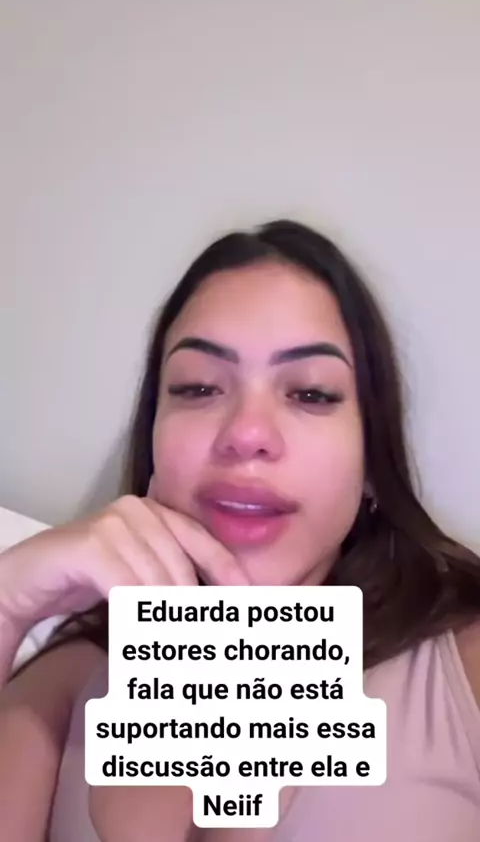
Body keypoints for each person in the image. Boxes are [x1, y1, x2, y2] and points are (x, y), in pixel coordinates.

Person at [1, 219, 479, 841]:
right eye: (198, 387)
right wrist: (7, 601)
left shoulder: (463, 668)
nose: (246, 434)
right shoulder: (70, 679)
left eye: (311, 394)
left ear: (371, 465)